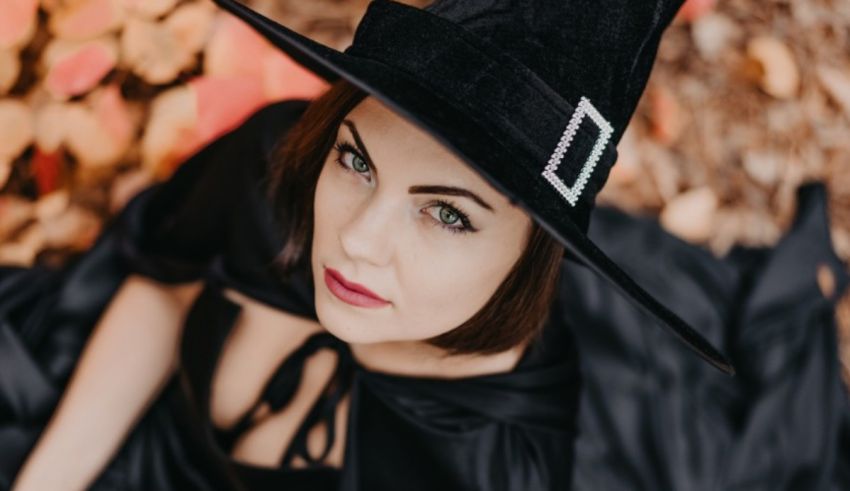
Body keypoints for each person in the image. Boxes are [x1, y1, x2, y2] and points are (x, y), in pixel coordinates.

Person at [1, 0, 848, 490]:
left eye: (448, 214)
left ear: (534, 248)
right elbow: (165, 286)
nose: (355, 240)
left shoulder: (488, 470)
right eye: (356, 160)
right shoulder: (277, 164)